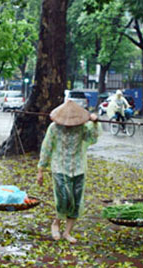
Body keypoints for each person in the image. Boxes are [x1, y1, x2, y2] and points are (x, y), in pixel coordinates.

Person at [37, 100, 100, 243]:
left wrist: (95, 122)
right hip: (59, 167)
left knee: (76, 201)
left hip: (78, 168)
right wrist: (41, 170)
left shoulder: (82, 128)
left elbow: (93, 138)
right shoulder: (54, 128)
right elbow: (46, 148)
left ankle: (67, 232)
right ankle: (56, 223)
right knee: (63, 198)